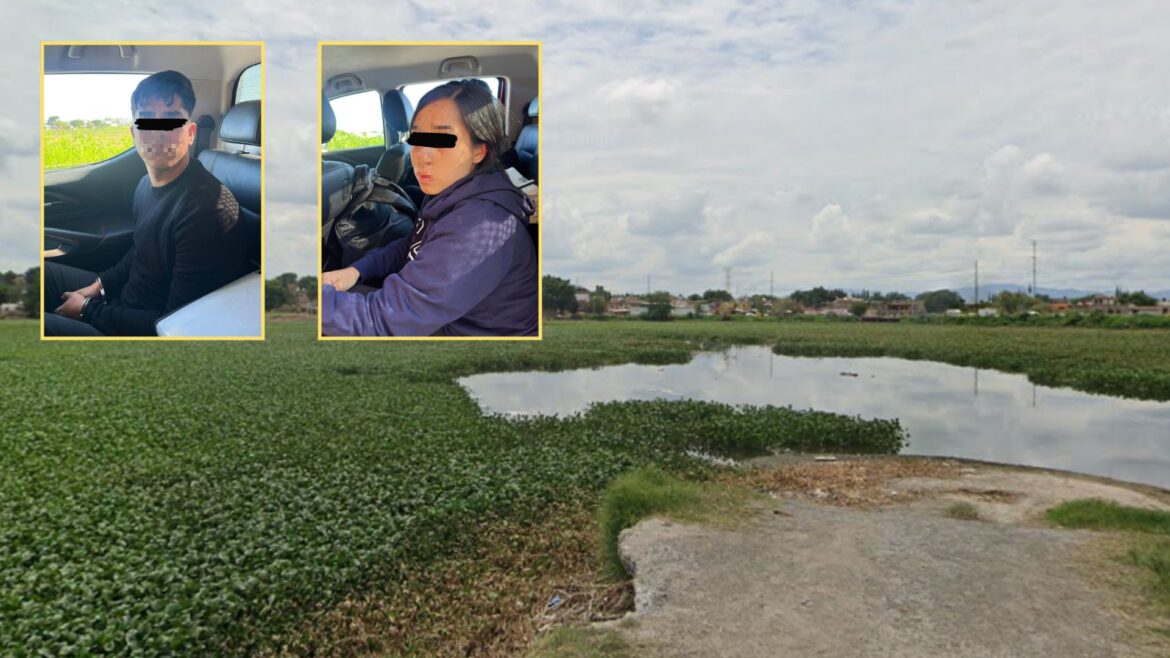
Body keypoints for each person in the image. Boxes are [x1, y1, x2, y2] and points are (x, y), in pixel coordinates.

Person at [321, 79, 537, 336]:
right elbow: (413, 244)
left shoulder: (479, 225)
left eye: (442, 139)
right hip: (445, 318)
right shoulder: (449, 189)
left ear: (479, 151)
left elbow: (383, 321)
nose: (422, 154)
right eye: (418, 137)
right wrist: (357, 270)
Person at [44, 70, 248, 336]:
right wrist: (100, 286)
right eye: (147, 120)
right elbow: (141, 252)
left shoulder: (208, 211)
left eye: (172, 121)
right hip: (121, 302)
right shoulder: (144, 186)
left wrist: (86, 310)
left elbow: (176, 323)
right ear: (134, 132)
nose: (159, 133)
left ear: (190, 133)